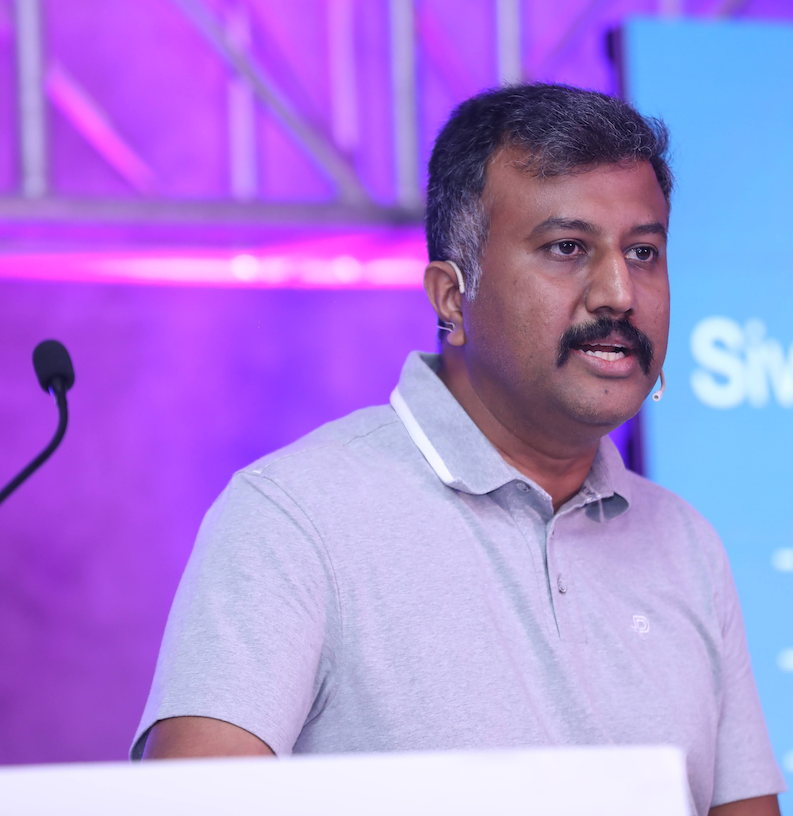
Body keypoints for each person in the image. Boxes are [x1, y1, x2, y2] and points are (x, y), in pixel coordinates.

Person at [133, 84, 785, 816]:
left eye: (642, 252)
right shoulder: (294, 517)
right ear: (451, 296)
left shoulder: (686, 544)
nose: (617, 293)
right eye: (566, 248)